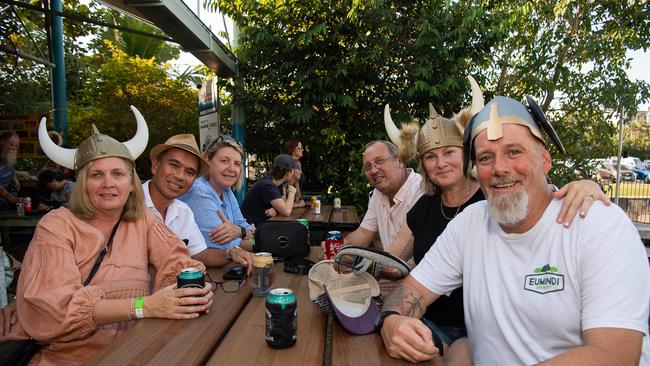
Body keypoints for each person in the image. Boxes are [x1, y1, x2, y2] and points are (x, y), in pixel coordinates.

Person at [377, 95, 649, 365]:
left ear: (544, 159)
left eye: (514, 152)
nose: (499, 168)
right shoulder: (468, 224)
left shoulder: (599, 225)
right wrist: (392, 320)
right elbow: (412, 290)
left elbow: (615, 355)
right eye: (485, 158)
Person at [0, 107, 214, 365]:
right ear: (81, 183)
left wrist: (191, 291)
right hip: (67, 358)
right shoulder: (56, 226)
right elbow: (54, 311)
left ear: (130, 181)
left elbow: (179, 265)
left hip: (135, 348)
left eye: (118, 174)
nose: (108, 183)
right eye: (96, 174)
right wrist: (144, 306)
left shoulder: (142, 219)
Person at [146, 134, 253, 270]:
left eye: (190, 172)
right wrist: (256, 240)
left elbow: (200, 253)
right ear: (155, 166)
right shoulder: (130, 205)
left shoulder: (183, 210)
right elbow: (222, 243)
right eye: (174, 165)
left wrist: (233, 246)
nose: (180, 176)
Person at [179, 135, 255, 252]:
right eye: (225, 161)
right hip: (203, 267)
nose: (231, 169)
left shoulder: (226, 190)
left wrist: (240, 231)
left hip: (229, 265)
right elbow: (222, 245)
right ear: (207, 160)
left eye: (237, 164)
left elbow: (243, 225)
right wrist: (261, 241)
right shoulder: (198, 191)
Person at [240, 154, 299, 226]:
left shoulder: (277, 184)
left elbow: (283, 204)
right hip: (249, 230)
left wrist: (276, 211)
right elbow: (286, 211)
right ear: (289, 172)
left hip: (261, 225)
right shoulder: (268, 186)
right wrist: (292, 192)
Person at [0, 131, 25, 208]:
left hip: (4, 203)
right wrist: (11, 198)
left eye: (16, 146)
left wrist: (14, 177)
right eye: (11, 145)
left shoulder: (6, 155)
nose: (14, 149)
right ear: (2, 142)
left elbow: (11, 166)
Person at [285, 138, 306, 207]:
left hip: (292, 200)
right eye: (300, 148)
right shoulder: (286, 164)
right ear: (293, 150)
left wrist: (299, 200)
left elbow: (296, 184)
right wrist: (298, 204)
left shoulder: (297, 163)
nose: (302, 150)